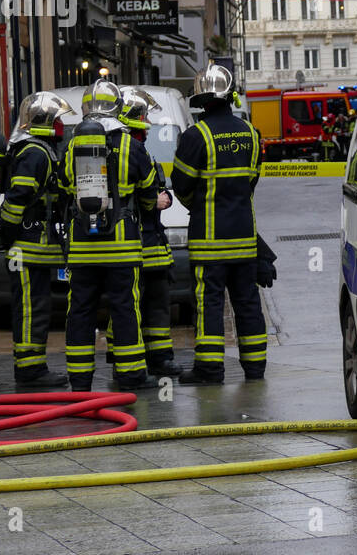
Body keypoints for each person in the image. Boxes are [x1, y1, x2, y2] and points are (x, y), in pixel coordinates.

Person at [171, 64, 277, 383]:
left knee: (210, 305)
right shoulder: (251, 134)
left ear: (201, 100)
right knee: (247, 304)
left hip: (209, 243)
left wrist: (202, 207)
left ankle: (210, 369)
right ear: (231, 97)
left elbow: (181, 186)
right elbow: (251, 184)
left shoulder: (195, 136)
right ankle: (255, 368)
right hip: (245, 241)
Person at [56, 80, 159, 390]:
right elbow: (150, 194)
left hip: (82, 248)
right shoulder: (132, 145)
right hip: (122, 247)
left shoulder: (75, 144)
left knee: (80, 311)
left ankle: (80, 379)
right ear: (117, 107)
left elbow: (62, 185)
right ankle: (130, 376)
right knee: (125, 308)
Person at [0, 91, 74, 387]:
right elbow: (18, 199)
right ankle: (30, 371)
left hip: (36, 249)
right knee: (31, 308)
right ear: (44, 122)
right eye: (57, 121)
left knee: (36, 307)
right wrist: (9, 233)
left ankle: (33, 366)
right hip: (29, 248)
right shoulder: (35, 153)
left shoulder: (40, 150)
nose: (61, 127)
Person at [112, 86, 181, 377]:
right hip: (143, 243)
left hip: (133, 247)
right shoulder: (134, 149)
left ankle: (136, 360)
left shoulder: (116, 147)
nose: (150, 125)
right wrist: (160, 199)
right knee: (149, 305)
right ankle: (152, 361)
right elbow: (146, 194)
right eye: (145, 118)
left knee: (134, 304)